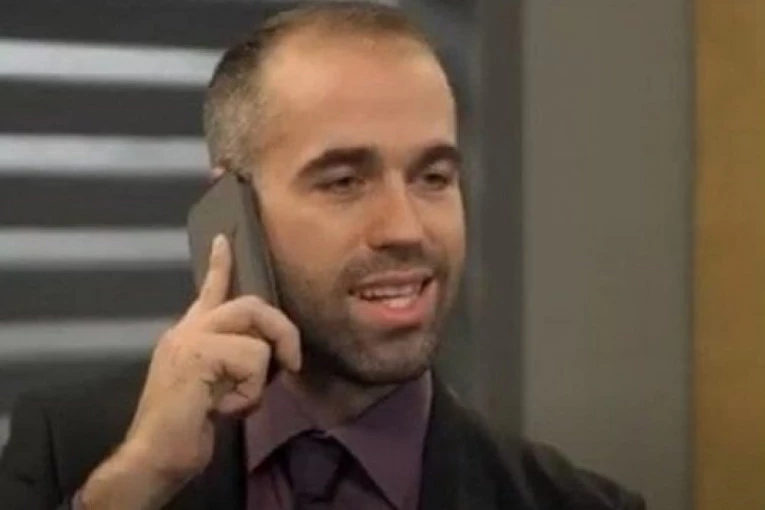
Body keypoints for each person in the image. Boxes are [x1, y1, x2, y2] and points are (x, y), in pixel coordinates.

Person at [0, 3, 645, 510]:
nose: (405, 229)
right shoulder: (72, 454)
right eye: (344, 182)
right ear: (231, 208)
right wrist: (135, 485)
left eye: (433, 177)